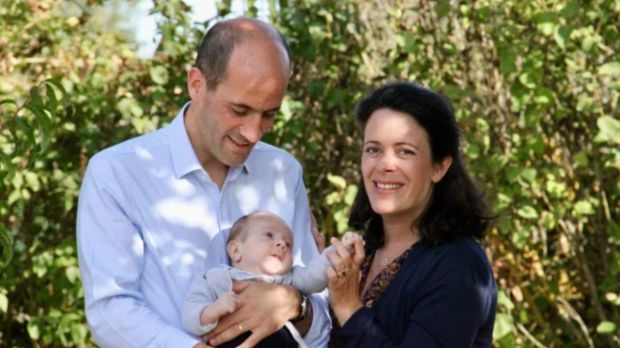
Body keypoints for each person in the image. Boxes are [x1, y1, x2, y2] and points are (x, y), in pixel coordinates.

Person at [76, 18, 330, 348]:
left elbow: (321, 323)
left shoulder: (283, 172)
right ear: (197, 84)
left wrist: (297, 306)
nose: (254, 132)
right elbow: (111, 311)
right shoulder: (117, 174)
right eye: (240, 109)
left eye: (269, 114)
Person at [325, 82, 497, 347]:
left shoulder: (459, 266)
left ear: (439, 167)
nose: (385, 165)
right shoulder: (366, 252)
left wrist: (349, 309)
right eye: (373, 149)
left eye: (405, 151)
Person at [182, 211, 360, 347]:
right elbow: (190, 313)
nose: (282, 244)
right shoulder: (217, 278)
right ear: (236, 250)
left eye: (288, 244)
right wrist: (214, 309)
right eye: (269, 235)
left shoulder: (288, 280)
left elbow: (314, 275)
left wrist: (339, 250)